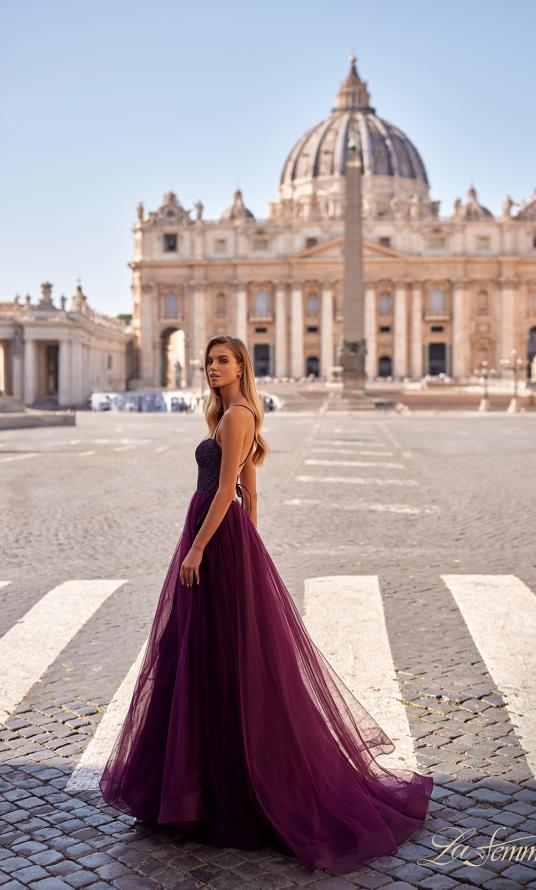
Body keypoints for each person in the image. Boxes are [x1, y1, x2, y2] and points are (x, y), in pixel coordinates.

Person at [98, 334, 433, 876]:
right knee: (212, 658)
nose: (212, 368)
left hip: (211, 536)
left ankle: (203, 788)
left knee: (203, 658)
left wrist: (204, 548)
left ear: (241, 366)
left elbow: (229, 489)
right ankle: (206, 781)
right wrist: (246, 551)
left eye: (222, 361)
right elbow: (252, 493)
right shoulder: (234, 413)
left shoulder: (236, 416)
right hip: (227, 540)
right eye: (208, 362)